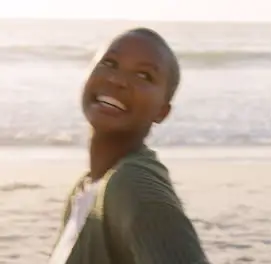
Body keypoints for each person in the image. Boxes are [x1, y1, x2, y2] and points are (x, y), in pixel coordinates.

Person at [49, 27, 209, 264]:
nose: (117, 80)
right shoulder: (83, 190)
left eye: (144, 76)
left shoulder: (132, 184)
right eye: (109, 63)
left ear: (162, 112)